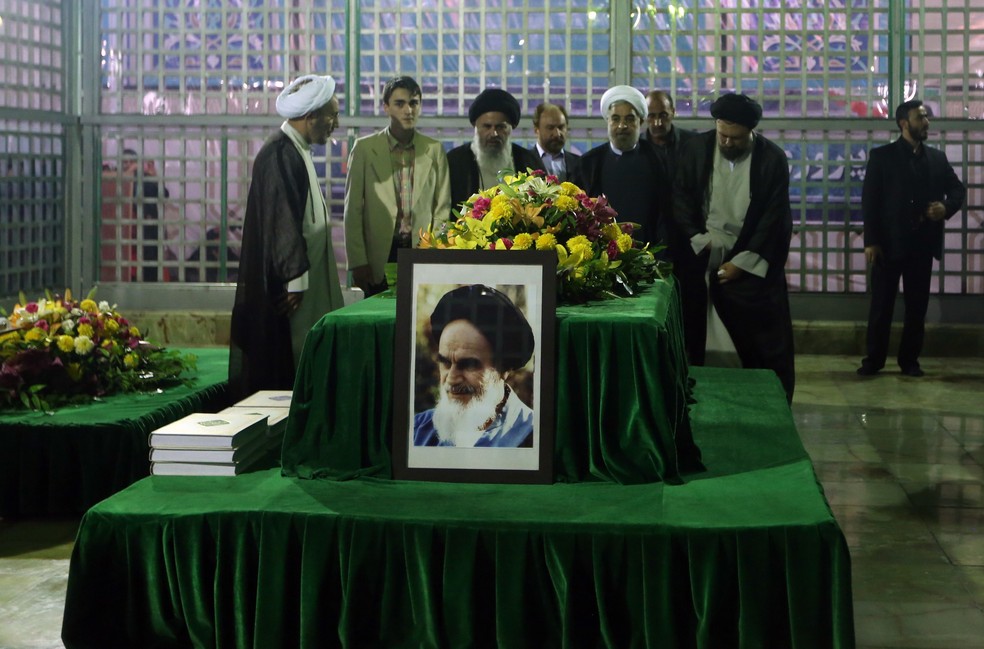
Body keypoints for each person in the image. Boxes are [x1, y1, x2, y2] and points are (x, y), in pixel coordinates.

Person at [672, 93, 796, 402]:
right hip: (703, 251)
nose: (727, 142)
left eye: (735, 138)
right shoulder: (695, 149)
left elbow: (774, 219)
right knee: (697, 337)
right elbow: (680, 199)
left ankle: (760, 404)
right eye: (722, 135)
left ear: (751, 131)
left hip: (750, 258)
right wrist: (700, 240)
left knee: (759, 345)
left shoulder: (772, 159)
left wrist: (741, 263)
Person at [228, 74, 344, 401]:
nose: (335, 124)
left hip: (306, 277)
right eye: (331, 116)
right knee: (291, 356)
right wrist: (295, 278)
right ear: (311, 117)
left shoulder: (296, 149)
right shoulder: (280, 153)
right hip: (293, 288)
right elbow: (282, 219)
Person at [857, 99, 966, 378]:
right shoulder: (882, 157)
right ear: (904, 123)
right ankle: (874, 360)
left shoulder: (937, 159)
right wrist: (871, 241)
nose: (927, 122)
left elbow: (957, 190)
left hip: (922, 245)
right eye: (921, 117)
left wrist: (945, 208)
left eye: (926, 117)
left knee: (917, 307)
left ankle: (910, 361)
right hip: (888, 244)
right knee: (881, 306)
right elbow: (870, 201)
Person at [344, 76, 451, 297]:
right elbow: (353, 210)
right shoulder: (365, 149)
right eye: (399, 104)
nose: (408, 110)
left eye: (413, 103)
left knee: (419, 314)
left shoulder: (434, 149)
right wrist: (357, 261)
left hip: (420, 250)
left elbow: (442, 208)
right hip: (379, 253)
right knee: (378, 312)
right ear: (386, 107)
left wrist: (435, 252)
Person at [413, 284, 536, 448]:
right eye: (445, 363)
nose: (451, 379)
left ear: (503, 369)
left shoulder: (532, 437)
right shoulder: (417, 431)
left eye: (468, 365)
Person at [572, 85, 670, 247]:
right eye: (616, 119)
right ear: (608, 121)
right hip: (600, 252)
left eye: (629, 119)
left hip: (649, 251)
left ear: (640, 122)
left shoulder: (659, 160)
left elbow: (667, 217)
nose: (622, 126)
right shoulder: (588, 163)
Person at [446, 88, 544, 211]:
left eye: (501, 127)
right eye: (487, 126)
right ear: (475, 127)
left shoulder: (529, 161)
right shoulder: (455, 162)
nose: (494, 133)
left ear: (512, 128)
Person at [122, 148, 169, 282]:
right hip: (127, 229)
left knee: (150, 261)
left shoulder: (144, 178)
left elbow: (164, 195)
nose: (128, 165)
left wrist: (154, 178)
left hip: (148, 227)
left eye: (131, 162)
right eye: (125, 162)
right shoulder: (117, 178)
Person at [644, 90, 698, 169]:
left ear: (673, 112)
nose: (658, 123)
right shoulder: (636, 147)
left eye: (663, 115)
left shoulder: (693, 143)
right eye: (651, 116)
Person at [530, 102, 580, 182]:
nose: (557, 134)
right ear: (536, 130)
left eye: (561, 127)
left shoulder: (579, 163)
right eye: (550, 128)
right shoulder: (524, 161)